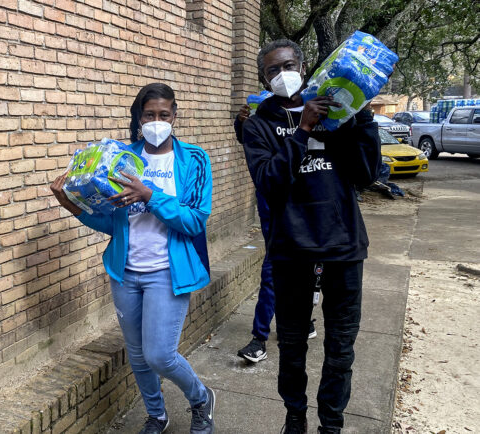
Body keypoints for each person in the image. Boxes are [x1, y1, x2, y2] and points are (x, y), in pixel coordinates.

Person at [50, 83, 216, 434]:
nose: (157, 122)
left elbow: (194, 220)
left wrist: (149, 195)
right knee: (138, 355)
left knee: (160, 355)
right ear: (139, 118)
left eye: (164, 115)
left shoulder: (194, 159)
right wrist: (69, 204)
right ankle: (157, 415)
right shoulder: (121, 158)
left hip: (167, 272)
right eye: (149, 115)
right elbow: (111, 223)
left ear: (174, 116)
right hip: (125, 272)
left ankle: (201, 398)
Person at [241, 40, 380, 433]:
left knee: (340, 348)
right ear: (263, 79)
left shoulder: (337, 113)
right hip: (292, 250)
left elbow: (367, 174)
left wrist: (363, 117)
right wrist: (302, 130)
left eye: (288, 65)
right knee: (292, 346)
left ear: (303, 68)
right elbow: (269, 182)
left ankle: (331, 424)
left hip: (343, 245)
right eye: (272, 70)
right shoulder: (258, 125)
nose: (282, 74)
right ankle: (295, 417)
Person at [234, 106, 317, 364]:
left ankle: (302, 320)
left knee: (307, 271)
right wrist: (241, 124)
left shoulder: (312, 110)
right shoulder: (262, 118)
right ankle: (259, 338)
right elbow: (250, 143)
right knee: (272, 271)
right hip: (274, 213)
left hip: (305, 211)